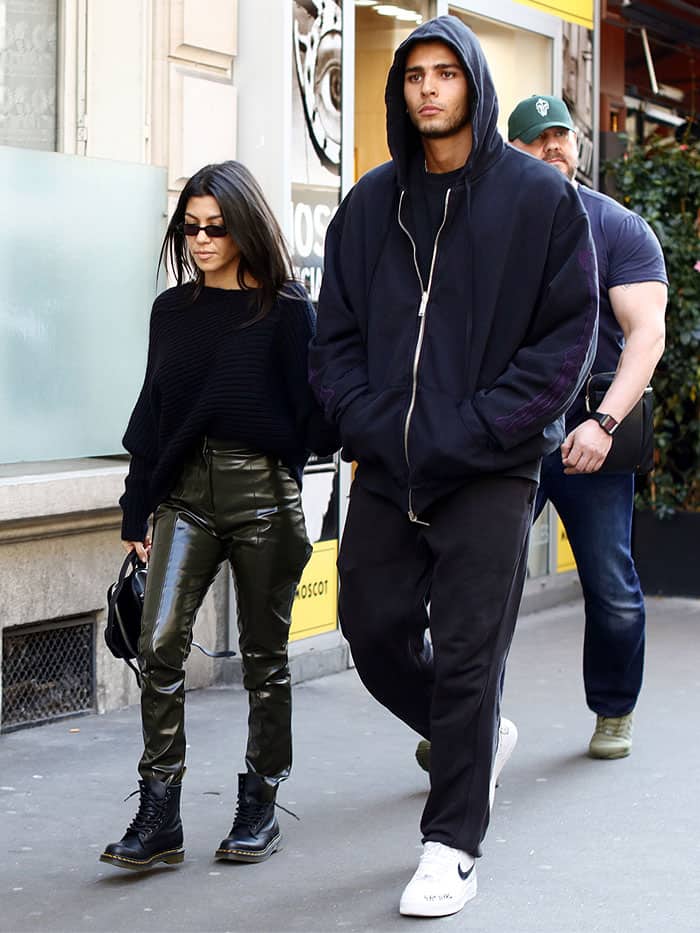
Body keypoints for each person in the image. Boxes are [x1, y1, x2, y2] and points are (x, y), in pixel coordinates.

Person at [309, 16, 598, 919]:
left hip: (492, 469)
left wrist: (481, 426)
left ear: (473, 82)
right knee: (371, 625)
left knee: (473, 652)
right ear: (400, 92)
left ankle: (451, 844)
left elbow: (568, 338)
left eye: (445, 73)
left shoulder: (536, 201)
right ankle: (474, 733)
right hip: (390, 465)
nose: (428, 88)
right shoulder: (369, 205)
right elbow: (337, 336)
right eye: (413, 76)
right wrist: (367, 419)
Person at [101, 160, 336, 872]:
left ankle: (259, 803)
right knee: (160, 642)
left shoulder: (288, 310)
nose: (201, 240)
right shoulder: (171, 310)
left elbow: (318, 425)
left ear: (244, 227)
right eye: (190, 227)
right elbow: (153, 414)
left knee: (265, 660)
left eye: (216, 227)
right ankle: (160, 811)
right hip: (182, 495)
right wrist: (135, 509)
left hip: (263, 494)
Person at [508, 95, 667, 760]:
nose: (552, 146)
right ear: (511, 149)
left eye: (561, 135)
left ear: (578, 145)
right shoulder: (487, 229)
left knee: (610, 584)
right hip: (507, 438)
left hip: (589, 439)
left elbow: (647, 335)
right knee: (476, 586)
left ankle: (614, 708)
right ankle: (459, 720)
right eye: (536, 137)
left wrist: (602, 423)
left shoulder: (619, 228)